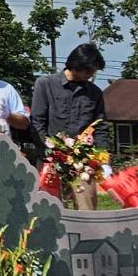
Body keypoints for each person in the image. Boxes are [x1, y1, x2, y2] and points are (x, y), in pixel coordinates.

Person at [31, 44, 110, 210]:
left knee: (87, 208)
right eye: (88, 70)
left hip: (83, 162)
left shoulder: (95, 92)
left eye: (94, 71)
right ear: (76, 65)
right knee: (48, 210)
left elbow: (100, 126)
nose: (91, 74)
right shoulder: (45, 84)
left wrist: (103, 158)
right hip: (51, 160)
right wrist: (49, 150)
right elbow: (37, 121)